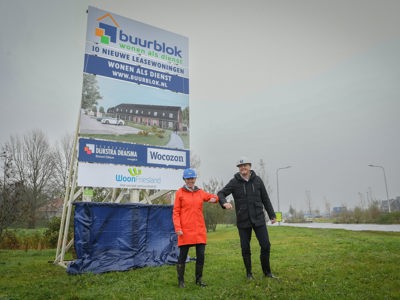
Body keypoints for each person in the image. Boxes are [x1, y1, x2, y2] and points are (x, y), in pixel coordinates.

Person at [217, 157, 277, 279]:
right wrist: (224, 203)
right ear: (238, 168)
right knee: (245, 248)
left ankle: (267, 272)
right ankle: (249, 273)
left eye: (245, 165)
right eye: (240, 166)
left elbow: (265, 199)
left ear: (250, 166)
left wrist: (272, 215)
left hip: (259, 219)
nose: (243, 168)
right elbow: (221, 193)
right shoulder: (234, 182)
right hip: (243, 220)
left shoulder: (258, 181)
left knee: (266, 245)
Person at [173, 168, 227, 288]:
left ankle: (199, 280)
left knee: (201, 255)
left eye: (192, 178)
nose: (190, 181)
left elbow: (212, 197)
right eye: (188, 179)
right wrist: (178, 228)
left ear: (195, 179)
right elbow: (176, 212)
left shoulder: (200, 192)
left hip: (199, 230)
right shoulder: (179, 193)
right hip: (185, 230)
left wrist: (215, 199)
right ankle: (181, 281)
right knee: (182, 255)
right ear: (184, 179)